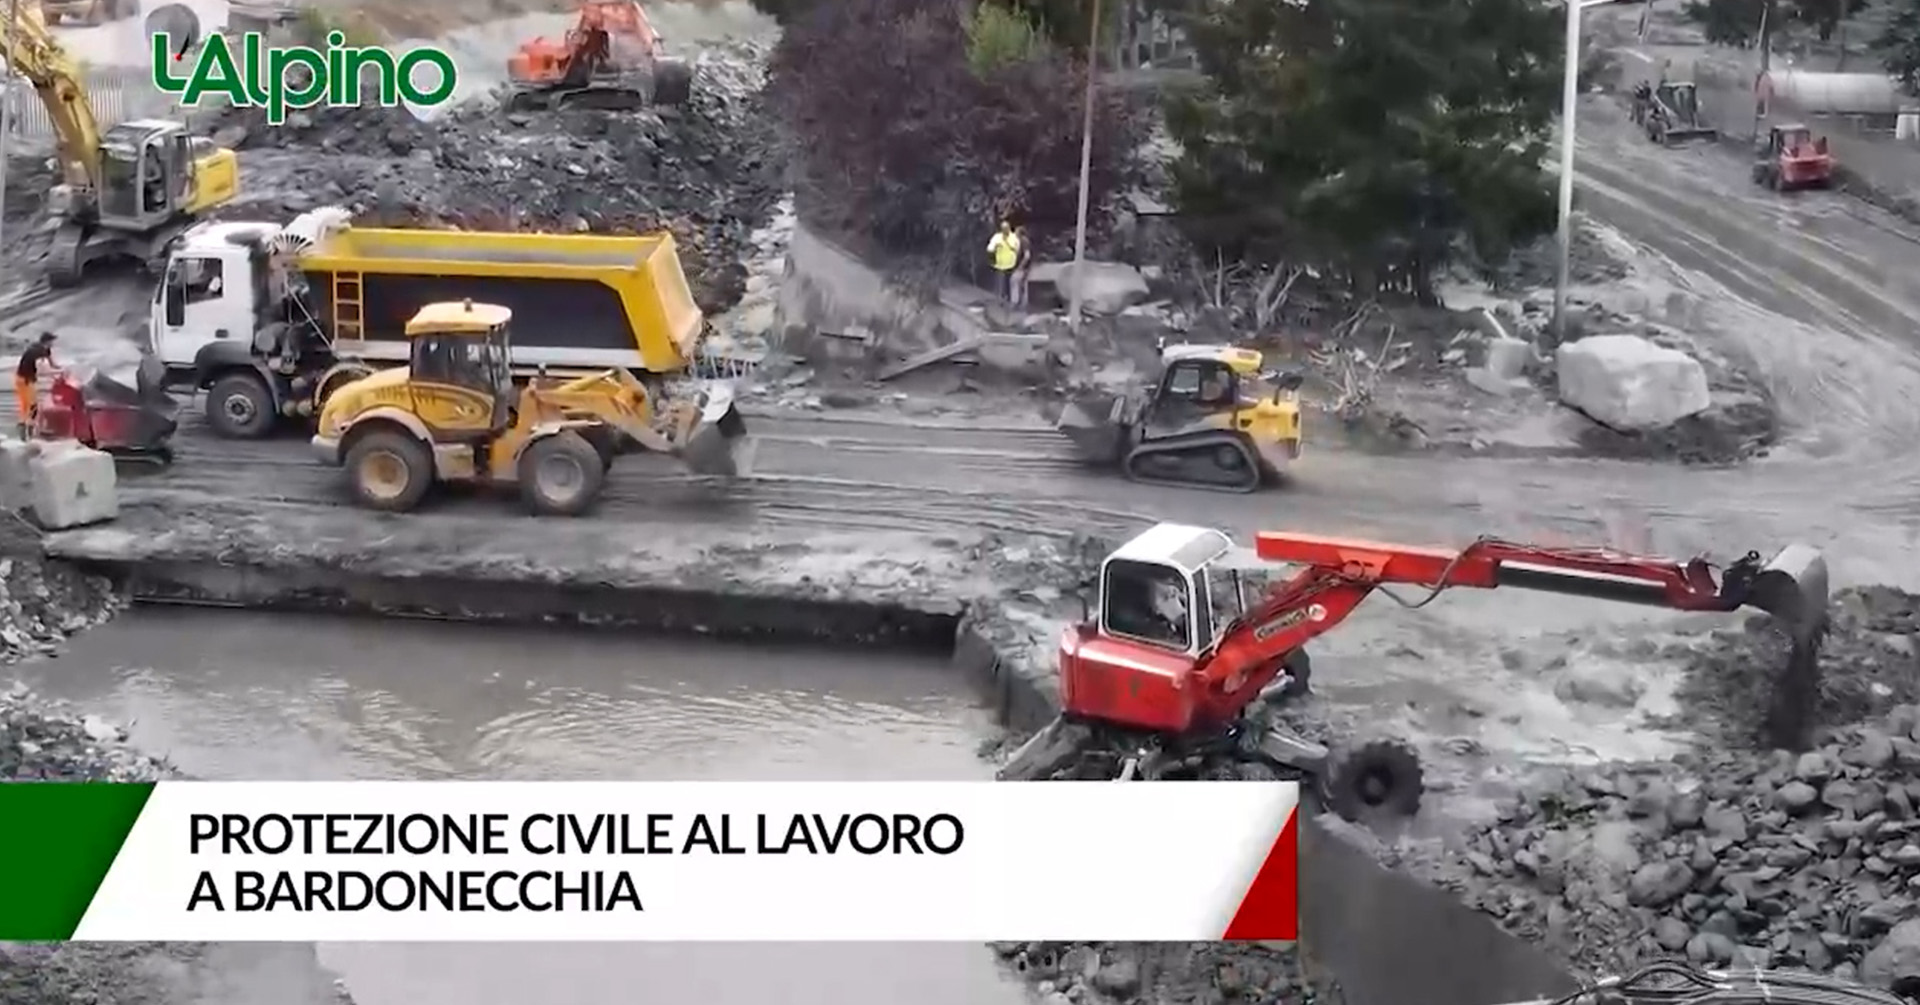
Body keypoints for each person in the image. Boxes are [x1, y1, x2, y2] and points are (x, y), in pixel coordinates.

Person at [14, 332, 56, 439]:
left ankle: (25, 427)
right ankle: (27, 429)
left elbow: (53, 364)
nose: (53, 343)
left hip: (26, 379)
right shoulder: (36, 351)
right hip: (24, 380)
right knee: (31, 405)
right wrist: (53, 376)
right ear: (47, 341)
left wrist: (61, 370)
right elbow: (41, 368)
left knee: (27, 405)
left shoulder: (44, 350)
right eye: (52, 341)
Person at [986, 219, 1020, 301]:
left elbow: (1017, 248)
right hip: (1000, 264)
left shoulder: (1013, 237)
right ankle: (1001, 298)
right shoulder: (997, 237)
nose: (1005, 230)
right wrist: (992, 260)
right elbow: (990, 248)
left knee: (1009, 283)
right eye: (1004, 228)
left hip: (1011, 264)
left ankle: (1007, 298)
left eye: (1006, 228)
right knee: (1001, 282)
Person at [1010, 225, 1034, 308]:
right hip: (1023, 267)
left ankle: (1015, 302)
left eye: (1016, 232)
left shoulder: (1024, 241)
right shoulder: (1022, 241)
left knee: (1015, 282)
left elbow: (1027, 256)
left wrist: (1020, 266)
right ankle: (1021, 304)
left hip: (1022, 268)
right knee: (1021, 284)